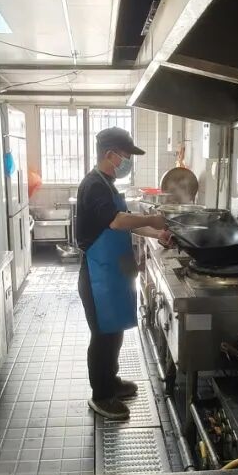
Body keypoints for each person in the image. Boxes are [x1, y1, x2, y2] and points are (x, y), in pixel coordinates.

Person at [75, 127, 170, 420]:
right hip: (98, 273)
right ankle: (101, 395)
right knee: (102, 335)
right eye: (126, 156)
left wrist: (157, 233)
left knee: (114, 330)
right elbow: (117, 221)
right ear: (110, 154)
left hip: (115, 269)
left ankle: (111, 380)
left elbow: (124, 224)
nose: (128, 161)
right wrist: (153, 218)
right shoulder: (94, 185)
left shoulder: (108, 183)